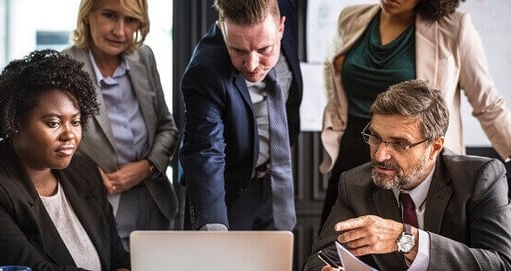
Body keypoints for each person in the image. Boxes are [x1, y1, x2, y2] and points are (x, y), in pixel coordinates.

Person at [319, 0, 511, 227]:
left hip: (414, 159)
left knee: (413, 249)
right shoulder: (352, 18)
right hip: (355, 149)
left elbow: (488, 104)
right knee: (338, 245)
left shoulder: (454, 27)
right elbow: (336, 81)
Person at [304, 79, 511, 271]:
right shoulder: (355, 183)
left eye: (400, 144)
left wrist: (407, 239)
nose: (380, 155)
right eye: (375, 137)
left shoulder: (479, 178)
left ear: (434, 147)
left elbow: (500, 264)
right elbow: (321, 258)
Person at [0, 49, 130, 270]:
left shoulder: (85, 171)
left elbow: (117, 258)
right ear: (15, 123)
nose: (70, 135)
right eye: (54, 123)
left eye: (75, 122)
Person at [63, 0, 179, 250]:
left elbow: (167, 128)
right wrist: (92, 175)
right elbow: (53, 143)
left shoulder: (144, 57)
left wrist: (146, 167)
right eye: (110, 16)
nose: (121, 31)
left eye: (130, 20)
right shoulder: (65, 67)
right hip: (97, 207)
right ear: (87, 15)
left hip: (156, 204)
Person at [180, 0, 303, 231]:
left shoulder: (283, 9)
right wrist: (212, 223)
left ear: (281, 28)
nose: (252, 65)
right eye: (238, 50)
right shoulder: (205, 70)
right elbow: (204, 149)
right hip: (227, 192)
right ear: (222, 28)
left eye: (265, 49)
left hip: (275, 183)